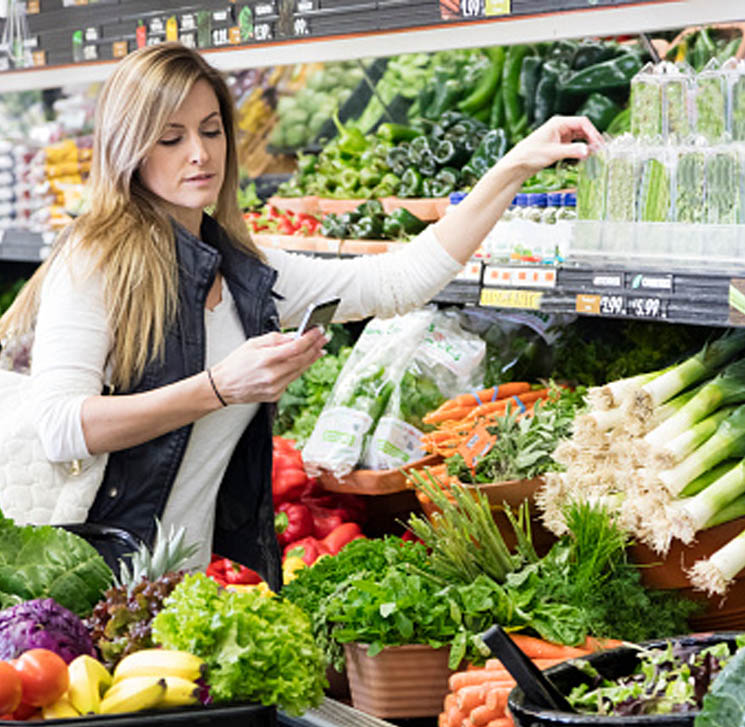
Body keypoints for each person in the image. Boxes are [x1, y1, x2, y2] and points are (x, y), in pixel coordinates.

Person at [0, 43, 602, 588]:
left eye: (211, 131)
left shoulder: (242, 270)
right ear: (128, 147)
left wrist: (515, 167)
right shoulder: (97, 258)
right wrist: (218, 388)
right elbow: (62, 425)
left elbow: (396, 281)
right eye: (171, 137)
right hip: (84, 583)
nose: (200, 153)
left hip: (173, 588)